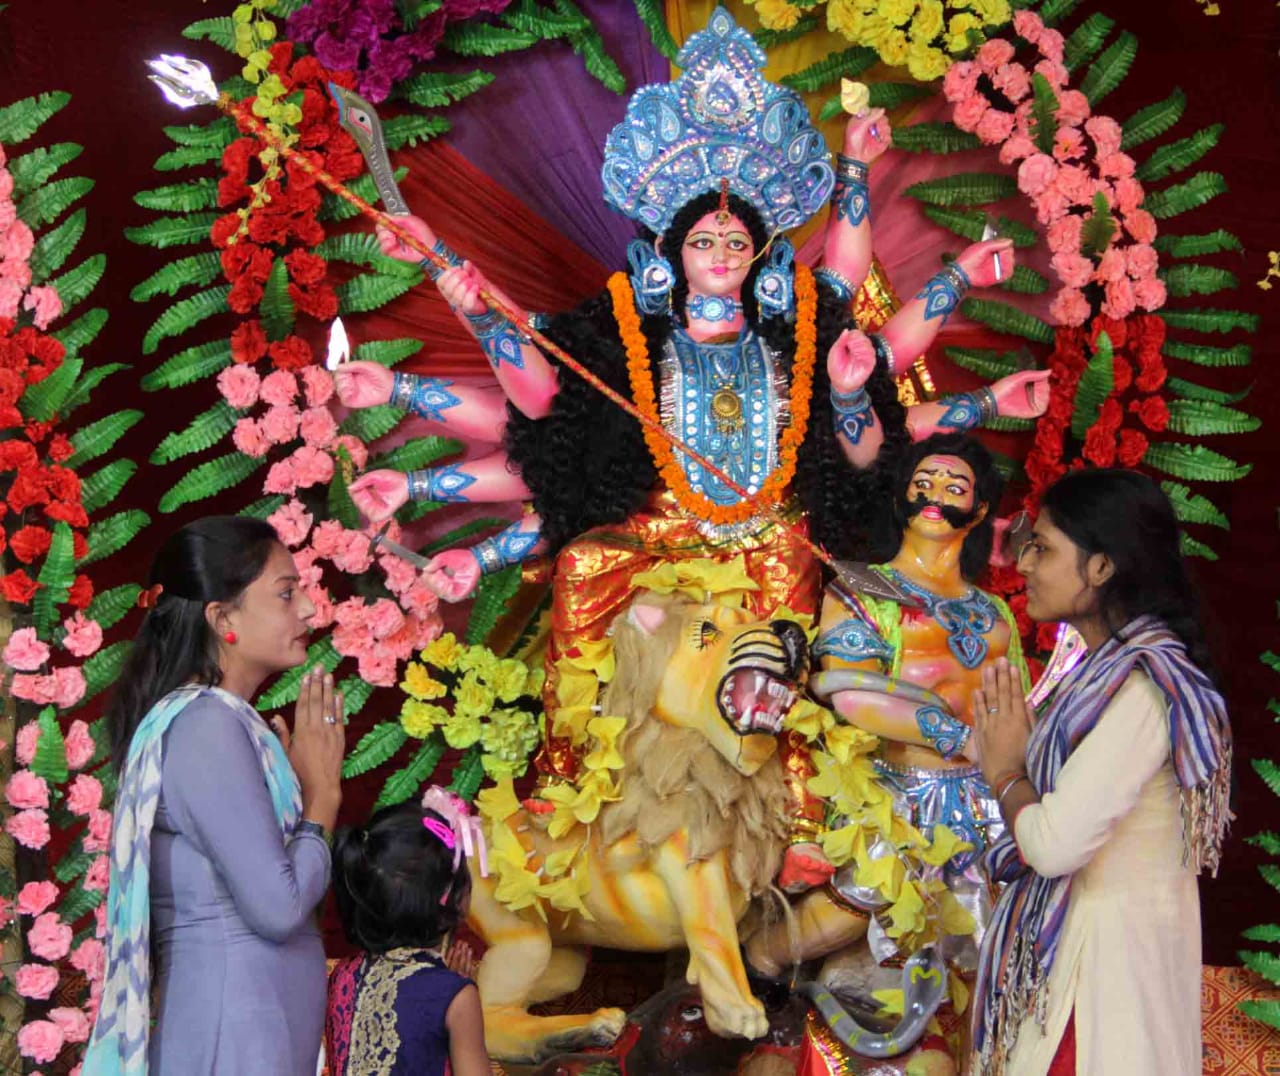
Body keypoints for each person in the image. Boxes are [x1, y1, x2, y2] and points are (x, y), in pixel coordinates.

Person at [339, 8, 1047, 886]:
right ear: (671, 252)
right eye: (704, 240)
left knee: (795, 614)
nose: (720, 253)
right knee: (583, 566)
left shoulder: (799, 335)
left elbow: (865, 452)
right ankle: (565, 773)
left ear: (760, 255)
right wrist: (461, 288)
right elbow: (543, 391)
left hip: (770, 533)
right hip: (659, 527)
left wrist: (848, 382)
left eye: (737, 241)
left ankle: (803, 807)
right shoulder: (629, 332)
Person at [970, 469, 1232, 1076]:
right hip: (1088, 966)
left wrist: (1006, 774)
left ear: (1101, 567)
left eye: (1043, 548)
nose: (1024, 564)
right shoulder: (1100, 676)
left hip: (1101, 991)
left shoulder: (1144, 688)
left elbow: (1053, 844)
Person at [747, 433, 1028, 981]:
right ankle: (758, 963)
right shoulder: (861, 590)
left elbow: (1015, 702)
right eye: (923, 483)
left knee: (989, 938)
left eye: (954, 487)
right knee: (855, 906)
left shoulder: (994, 611)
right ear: (901, 496)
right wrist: (957, 737)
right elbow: (853, 695)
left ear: (980, 510)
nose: (935, 495)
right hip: (893, 788)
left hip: (984, 796)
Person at [83, 516, 345, 1076]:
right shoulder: (206, 725)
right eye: (286, 593)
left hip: (254, 1027)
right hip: (234, 1034)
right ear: (223, 618)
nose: (308, 609)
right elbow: (279, 907)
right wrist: (323, 796)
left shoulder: (225, 722)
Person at [325, 792, 490, 1076]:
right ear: (448, 894)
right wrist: (452, 994)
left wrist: (446, 987)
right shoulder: (456, 998)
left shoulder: (342, 976)